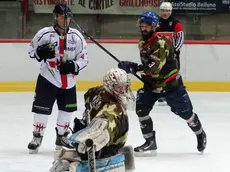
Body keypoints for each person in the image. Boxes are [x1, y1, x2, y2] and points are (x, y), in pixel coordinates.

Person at [118, 12, 207, 155]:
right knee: (141, 109)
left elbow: (153, 68)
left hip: (170, 85)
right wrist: (135, 67)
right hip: (152, 85)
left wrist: (133, 67)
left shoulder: (161, 43)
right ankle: (150, 142)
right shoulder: (142, 42)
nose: (144, 28)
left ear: (154, 26)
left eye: (147, 25)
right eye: (142, 25)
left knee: (186, 114)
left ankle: (200, 133)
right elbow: (148, 66)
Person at [27, 3, 88, 154]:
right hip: (48, 79)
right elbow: (31, 53)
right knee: (41, 111)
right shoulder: (44, 34)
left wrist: (74, 66)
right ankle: (37, 136)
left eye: (68, 17)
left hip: (69, 82)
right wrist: (40, 54)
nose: (65, 20)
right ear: (56, 17)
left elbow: (84, 58)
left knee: (67, 111)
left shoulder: (77, 36)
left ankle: (62, 137)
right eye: (62, 16)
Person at [49, 68, 135, 172]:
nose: (122, 91)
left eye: (125, 86)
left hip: (108, 146)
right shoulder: (114, 109)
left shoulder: (99, 91)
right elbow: (100, 132)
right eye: (118, 87)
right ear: (109, 86)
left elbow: (88, 94)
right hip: (107, 150)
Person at [156, 2, 184, 106]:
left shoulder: (176, 23)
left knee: (173, 73)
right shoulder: (156, 22)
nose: (165, 13)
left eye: (167, 11)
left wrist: (175, 51)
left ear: (171, 11)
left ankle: (175, 94)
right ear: (160, 11)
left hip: (172, 54)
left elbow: (180, 37)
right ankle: (162, 93)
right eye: (163, 10)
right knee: (160, 74)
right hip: (158, 54)